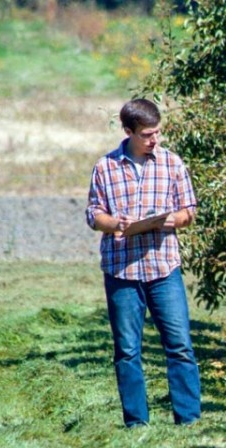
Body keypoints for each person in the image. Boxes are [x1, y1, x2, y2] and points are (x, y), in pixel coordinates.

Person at [86, 98, 201, 428]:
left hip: (163, 268)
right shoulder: (105, 168)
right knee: (127, 351)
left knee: (179, 346)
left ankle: (189, 420)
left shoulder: (172, 164)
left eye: (158, 133)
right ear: (128, 131)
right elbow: (94, 215)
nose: (155, 140)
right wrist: (116, 224)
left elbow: (189, 210)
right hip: (122, 270)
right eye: (148, 134)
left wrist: (172, 220)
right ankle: (136, 422)